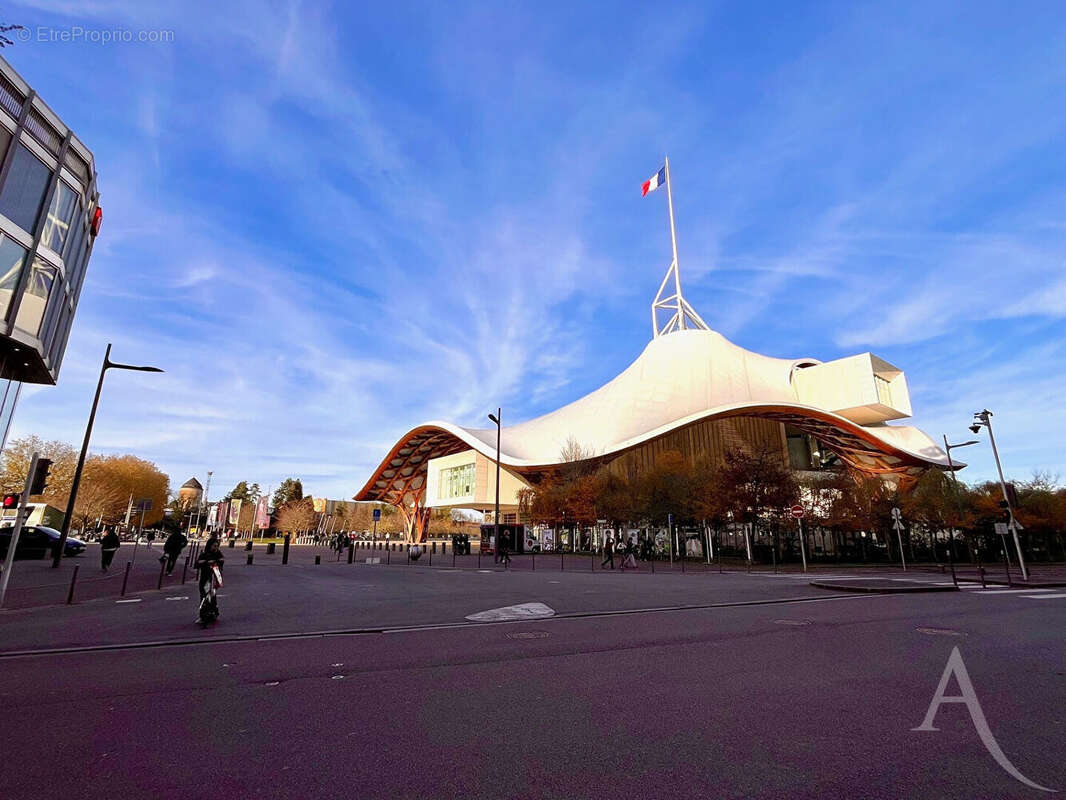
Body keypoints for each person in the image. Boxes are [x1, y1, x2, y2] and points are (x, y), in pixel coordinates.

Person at [195, 536, 225, 624]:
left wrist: (218, 562)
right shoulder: (205, 554)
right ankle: (204, 616)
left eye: (217, 546)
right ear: (210, 546)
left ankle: (213, 613)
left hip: (215, 579)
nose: (216, 548)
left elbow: (221, 563)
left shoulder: (218, 554)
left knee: (212, 597)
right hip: (205, 579)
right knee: (205, 596)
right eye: (214, 546)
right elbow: (197, 564)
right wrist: (206, 562)